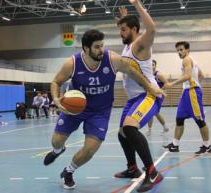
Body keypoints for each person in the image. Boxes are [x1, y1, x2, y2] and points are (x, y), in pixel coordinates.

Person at [43, 29, 163, 190]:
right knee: (56, 141)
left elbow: (132, 71)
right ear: (86, 48)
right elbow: (56, 82)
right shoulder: (72, 63)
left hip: (100, 111)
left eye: (102, 46)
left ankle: (68, 171)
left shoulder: (112, 59)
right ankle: (58, 150)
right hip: (75, 109)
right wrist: (56, 99)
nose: (102, 50)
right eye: (97, 47)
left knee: (90, 149)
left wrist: (150, 87)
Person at [113, 0, 165, 192]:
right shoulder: (127, 47)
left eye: (124, 29)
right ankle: (133, 169)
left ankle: (152, 172)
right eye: (120, 30)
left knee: (130, 127)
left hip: (149, 94)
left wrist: (137, 5)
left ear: (134, 29)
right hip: (134, 99)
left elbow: (151, 28)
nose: (121, 33)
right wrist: (124, 18)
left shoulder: (140, 45)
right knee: (122, 134)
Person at [163, 41, 211, 155]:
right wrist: (195, 82)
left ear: (187, 50)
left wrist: (172, 84)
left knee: (199, 120)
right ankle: (175, 145)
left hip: (192, 92)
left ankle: (207, 146)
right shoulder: (192, 60)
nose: (179, 52)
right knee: (179, 119)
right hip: (187, 92)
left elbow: (187, 76)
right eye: (178, 50)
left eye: (181, 49)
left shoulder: (187, 59)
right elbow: (202, 75)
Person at [147, 59, 170, 135]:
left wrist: (160, 90)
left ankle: (165, 127)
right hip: (151, 95)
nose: (151, 66)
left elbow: (167, 83)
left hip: (159, 96)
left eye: (153, 65)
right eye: (150, 64)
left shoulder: (158, 75)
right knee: (150, 112)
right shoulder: (148, 74)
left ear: (155, 66)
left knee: (155, 112)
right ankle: (150, 130)